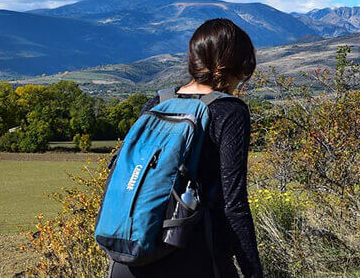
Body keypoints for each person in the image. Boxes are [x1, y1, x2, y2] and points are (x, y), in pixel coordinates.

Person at [110, 18, 263, 278]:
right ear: (233, 65)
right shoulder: (229, 111)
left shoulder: (156, 102)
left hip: (130, 257)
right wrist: (253, 271)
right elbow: (233, 204)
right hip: (194, 255)